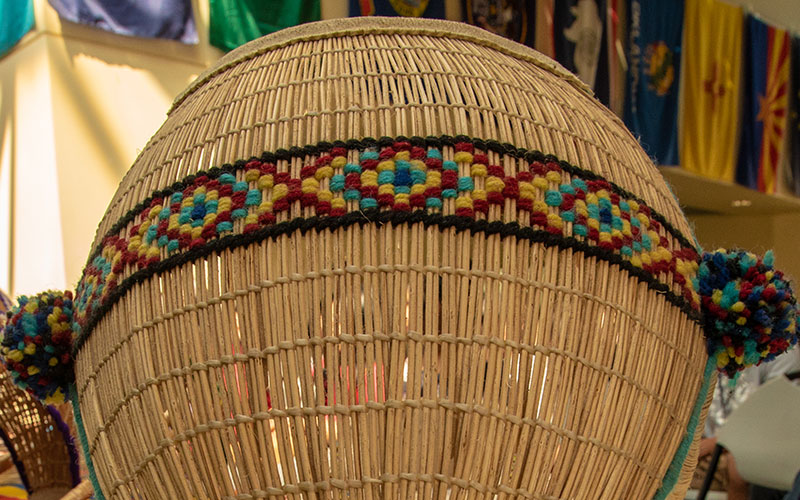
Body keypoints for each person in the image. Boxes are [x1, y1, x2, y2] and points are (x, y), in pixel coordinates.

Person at [692, 347, 800, 500]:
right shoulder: (703, 348)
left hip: (750, 449)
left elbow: (776, 423)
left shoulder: (782, 351)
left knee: (738, 464)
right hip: (702, 445)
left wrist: (716, 442)